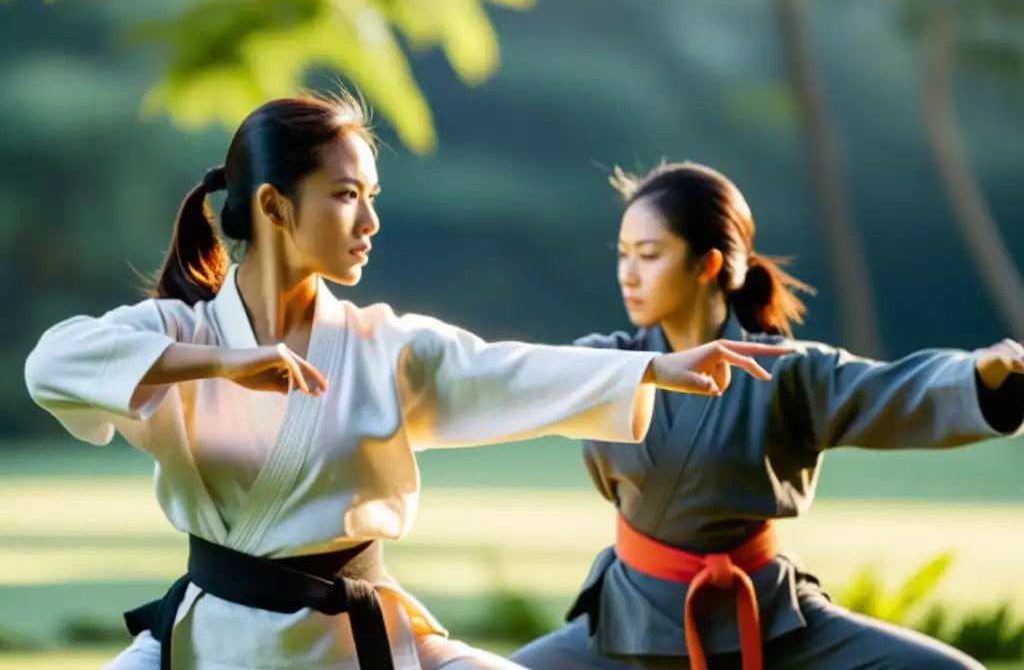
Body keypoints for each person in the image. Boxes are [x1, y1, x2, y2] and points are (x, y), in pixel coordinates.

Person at [22, 97, 792, 670]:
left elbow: (502, 369)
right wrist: (224, 364)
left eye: (373, 199)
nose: (370, 222)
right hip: (212, 644)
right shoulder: (177, 335)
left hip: (361, 642)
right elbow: (52, 363)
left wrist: (652, 367)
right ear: (272, 205)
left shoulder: (380, 346)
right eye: (347, 195)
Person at [509, 161, 1024, 670]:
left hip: (765, 618)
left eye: (648, 255)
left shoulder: (782, 373)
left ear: (707, 264)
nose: (628, 274)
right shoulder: (605, 365)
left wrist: (978, 373)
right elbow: (515, 380)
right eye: (622, 255)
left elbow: (887, 390)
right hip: (631, 623)